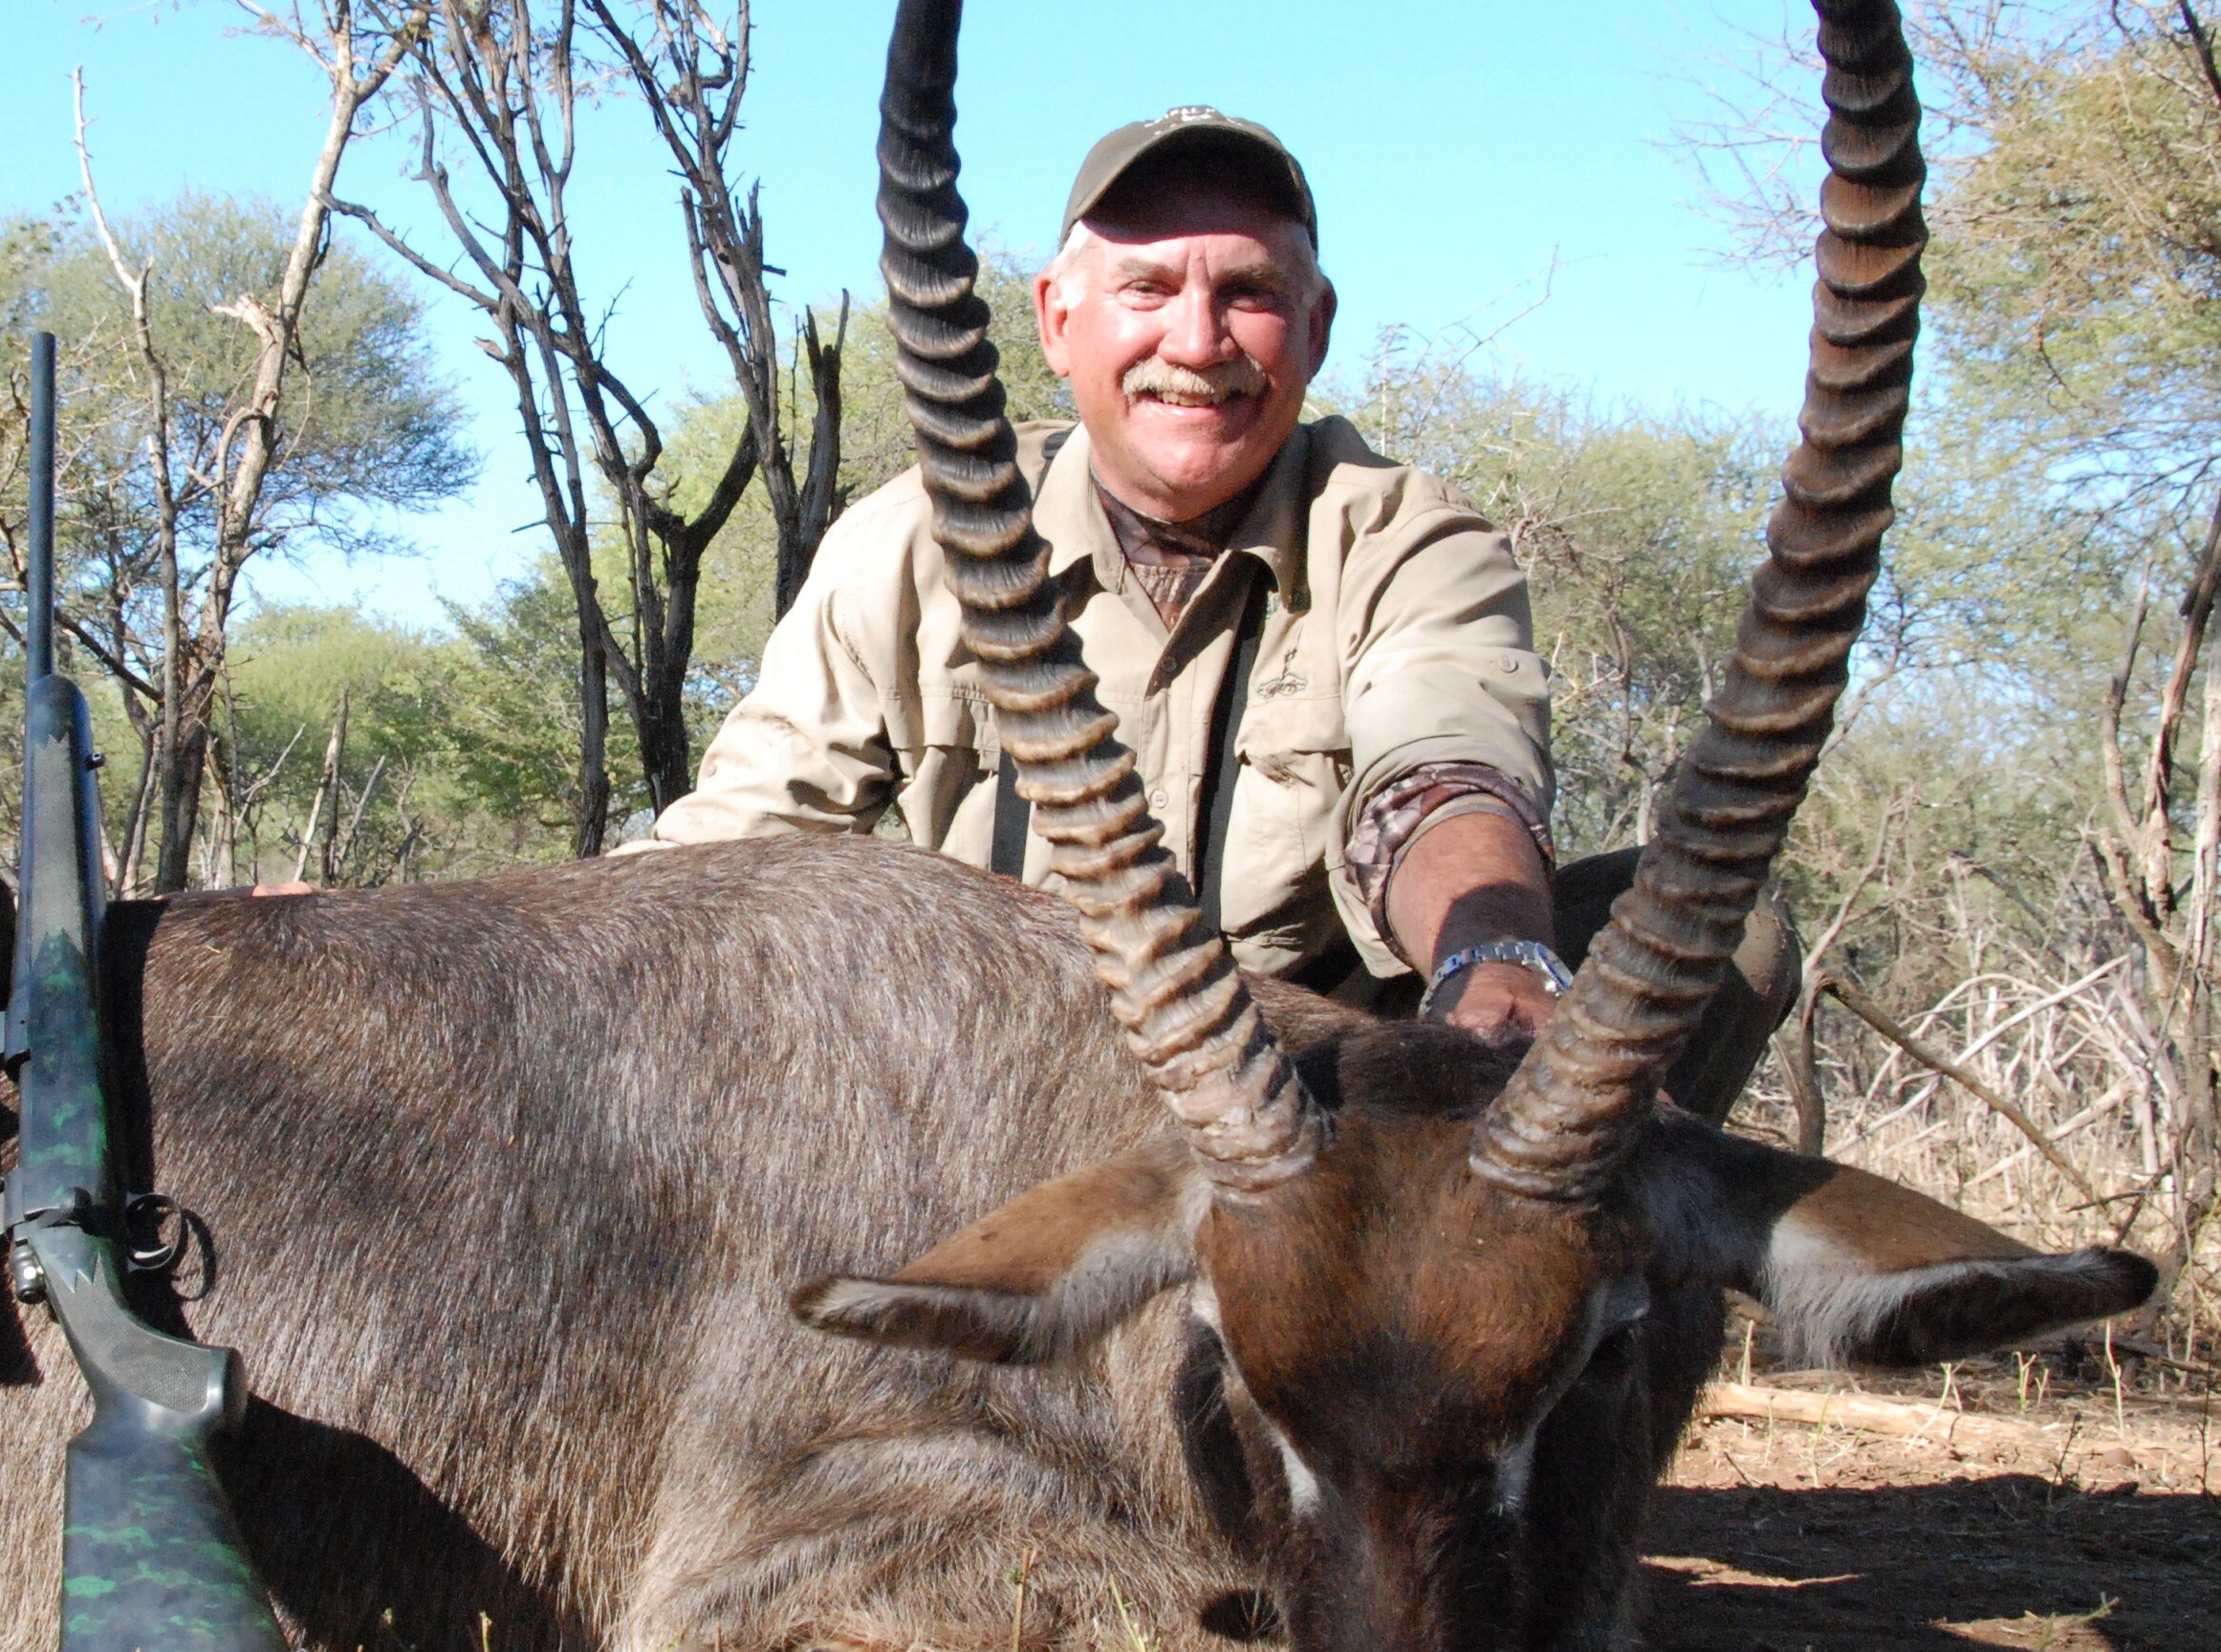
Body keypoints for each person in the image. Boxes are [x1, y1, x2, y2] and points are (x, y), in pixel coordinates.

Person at [648, 108, 1792, 1101]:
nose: (1195, 343)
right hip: (987, 1092)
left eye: (1245, 293)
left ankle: (1502, 1322)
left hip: (1317, 1098)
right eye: (1144, 289)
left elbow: (1444, 775)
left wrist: (1490, 956)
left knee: (1720, 934)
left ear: (1314, 327)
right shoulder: (908, 538)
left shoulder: (1408, 538)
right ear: (1054, 319)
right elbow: (732, 854)